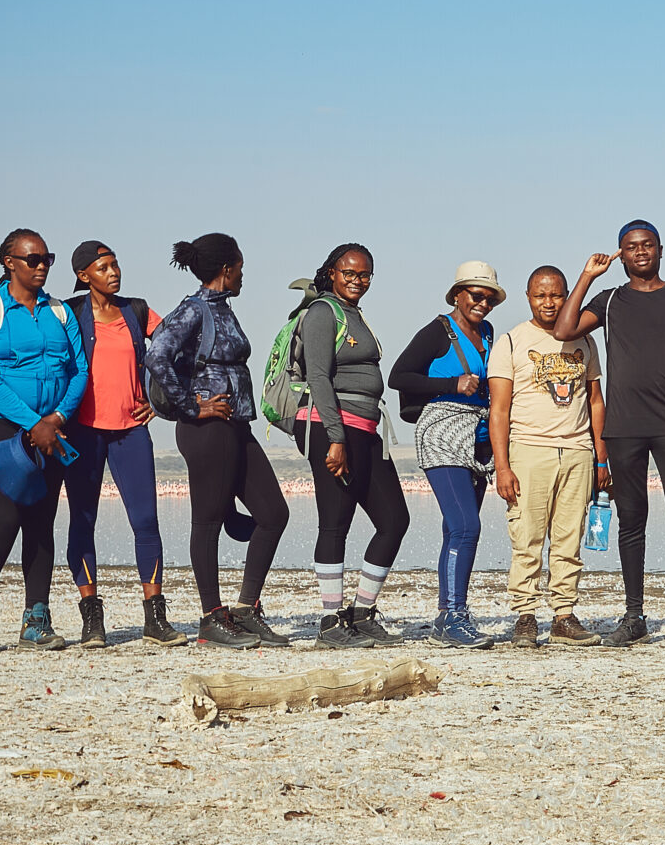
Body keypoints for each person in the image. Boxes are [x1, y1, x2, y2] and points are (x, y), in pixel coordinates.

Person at [552, 223, 665, 647]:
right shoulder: (609, 301)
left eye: (646, 245)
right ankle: (634, 615)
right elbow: (564, 330)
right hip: (624, 427)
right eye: (630, 247)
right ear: (620, 255)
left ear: (661, 250)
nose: (640, 252)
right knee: (631, 521)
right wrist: (588, 276)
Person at [146, 233, 291, 649]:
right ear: (227, 270)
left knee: (273, 513)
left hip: (236, 428)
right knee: (207, 522)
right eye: (241, 266)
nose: (244, 273)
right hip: (205, 432)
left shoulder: (223, 309)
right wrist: (193, 406)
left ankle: (245, 610)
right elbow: (156, 356)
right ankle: (211, 618)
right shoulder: (193, 310)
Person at [0, 229, 88, 653]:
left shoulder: (60, 312)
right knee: (5, 518)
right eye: (32, 259)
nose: (42, 266)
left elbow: (79, 371)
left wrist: (58, 416)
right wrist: (34, 423)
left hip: (50, 430)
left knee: (40, 521)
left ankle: (37, 618)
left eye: (47, 258)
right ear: (9, 263)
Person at [292, 243, 411, 646]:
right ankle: (330, 622)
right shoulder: (323, 312)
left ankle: (361, 612)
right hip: (333, 428)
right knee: (335, 522)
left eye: (365, 275)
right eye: (350, 273)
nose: (357, 281)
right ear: (331, 272)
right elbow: (319, 377)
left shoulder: (353, 314)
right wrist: (336, 439)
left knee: (395, 519)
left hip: (366, 430)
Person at [488, 266, 611, 648]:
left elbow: (595, 401)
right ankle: (525, 615)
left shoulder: (585, 341)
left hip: (577, 451)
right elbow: (499, 410)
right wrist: (503, 465)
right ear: (528, 296)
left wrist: (601, 456)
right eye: (541, 295)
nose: (549, 302)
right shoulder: (511, 341)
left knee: (568, 539)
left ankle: (563, 615)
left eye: (556, 295)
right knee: (526, 536)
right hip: (528, 451)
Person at [390, 263, 505, 648]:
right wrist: (451, 383)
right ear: (457, 294)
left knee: (455, 528)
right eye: (476, 295)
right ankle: (454, 615)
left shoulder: (488, 333)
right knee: (466, 527)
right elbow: (399, 376)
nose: (483, 303)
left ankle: (447, 614)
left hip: (478, 436)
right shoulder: (438, 331)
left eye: (489, 297)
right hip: (441, 431)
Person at [62, 241, 169, 649]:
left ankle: (155, 617)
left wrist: (160, 401)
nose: (113, 272)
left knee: (146, 523)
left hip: (131, 432)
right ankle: (92, 618)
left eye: (115, 265)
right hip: (83, 434)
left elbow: (175, 346)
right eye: (103, 267)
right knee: (82, 523)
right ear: (83, 275)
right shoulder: (68, 313)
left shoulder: (135, 310)